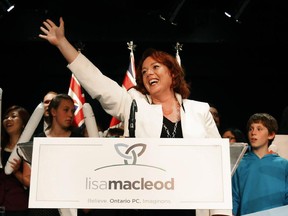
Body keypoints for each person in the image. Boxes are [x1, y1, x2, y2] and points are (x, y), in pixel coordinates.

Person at [38, 17, 231, 216]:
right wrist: (63, 43)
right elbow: (97, 82)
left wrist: (221, 212)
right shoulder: (134, 106)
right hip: (148, 205)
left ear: (173, 74)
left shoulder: (199, 111)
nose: (148, 73)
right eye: (144, 71)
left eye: (156, 67)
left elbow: (217, 166)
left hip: (191, 205)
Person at [23, 93, 84, 216]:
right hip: (43, 206)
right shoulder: (38, 140)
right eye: (66, 110)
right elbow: (27, 177)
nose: (70, 115)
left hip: (71, 204)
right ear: (53, 112)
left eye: (72, 111)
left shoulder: (79, 140)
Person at [232, 113, 288, 216]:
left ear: (271, 135)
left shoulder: (284, 165)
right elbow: (234, 197)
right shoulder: (238, 164)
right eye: (251, 129)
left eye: (259, 129)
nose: (253, 133)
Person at [0, 105, 30, 216]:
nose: (8, 119)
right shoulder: (1, 146)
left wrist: (16, 172)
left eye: (13, 116)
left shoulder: (27, 149)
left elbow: (31, 183)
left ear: (23, 124)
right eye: (6, 117)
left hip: (19, 205)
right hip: (2, 205)